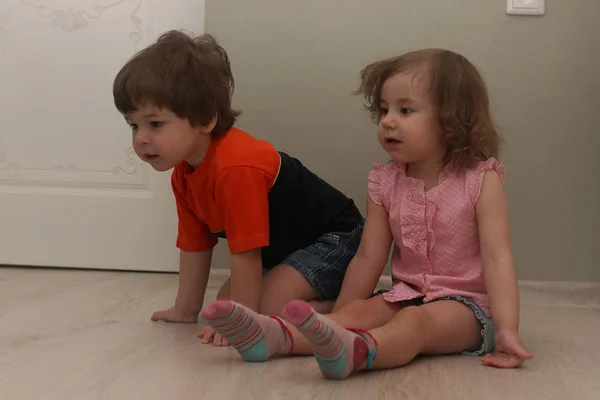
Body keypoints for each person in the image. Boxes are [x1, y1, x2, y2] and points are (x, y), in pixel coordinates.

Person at [199, 48, 534, 378]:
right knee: (360, 310)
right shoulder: (386, 181)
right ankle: (275, 338)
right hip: (407, 295)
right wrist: (346, 314)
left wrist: (507, 328)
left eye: (405, 110)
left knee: (414, 324)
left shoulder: (481, 180)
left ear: (451, 123)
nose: (388, 121)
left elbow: (497, 257)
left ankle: (360, 351)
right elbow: (368, 258)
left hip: (468, 307)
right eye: (385, 110)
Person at [111, 30, 364, 346]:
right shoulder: (184, 174)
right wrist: (186, 309)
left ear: (205, 120)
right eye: (134, 125)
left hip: (337, 239)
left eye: (155, 124)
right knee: (223, 301)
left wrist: (243, 322)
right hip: (290, 249)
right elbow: (195, 245)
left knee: (260, 309)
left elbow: (247, 251)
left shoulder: (235, 166)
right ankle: (306, 306)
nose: (141, 138)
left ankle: (354, 311)